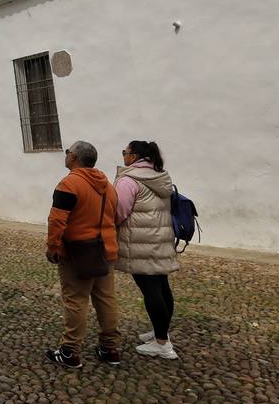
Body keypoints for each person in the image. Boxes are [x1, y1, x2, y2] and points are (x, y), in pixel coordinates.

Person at [45, 140, 121, 369]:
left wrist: (53, 247)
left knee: (76, 300)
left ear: (74, 158)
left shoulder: (69, 184)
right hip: (106, 249)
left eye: (68, 152)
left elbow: (57, 219)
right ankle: (110, 349)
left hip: (79, 251)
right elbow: (114, 216)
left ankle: (70, 351)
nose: (66, 155)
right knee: (105, 299)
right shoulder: (108, 185)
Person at [113, 141, 179, 359]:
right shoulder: (160, 176)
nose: (123, 156)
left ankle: (162, 344)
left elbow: (119, 211)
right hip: (160, 239)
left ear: (134, 157)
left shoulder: (129, 180)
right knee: (162, 287)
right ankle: (161, 332)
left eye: (125, 152)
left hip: (140, 242)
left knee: (150, 291)